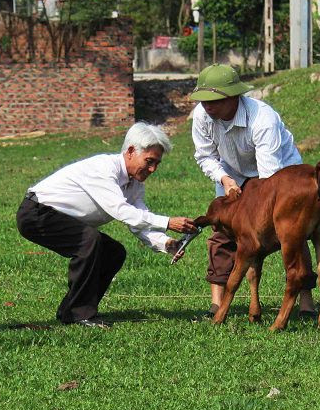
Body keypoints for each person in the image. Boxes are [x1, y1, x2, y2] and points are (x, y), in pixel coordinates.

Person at [16, 123, 198, 328]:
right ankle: (79, 314)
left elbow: (139, 219)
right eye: (149, 161)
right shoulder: (103, 169)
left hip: (59, 217)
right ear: (130, 151)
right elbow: (121, 211)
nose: (153, 169)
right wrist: (167, 222)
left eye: (157, 163)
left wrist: (165, 243)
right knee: (89, 241)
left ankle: (71, 310)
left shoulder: (135, 184)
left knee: (113, 252)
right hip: (37, 213)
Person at [189, 63, 318, 318]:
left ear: (234, 97)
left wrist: (250, 208)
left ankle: (306, 301)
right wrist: (225, 180)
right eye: (202, 100)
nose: (207, 105)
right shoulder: (203, 115)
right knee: (222, 230)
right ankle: (216, 302)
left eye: (213, 100)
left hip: (279, 174)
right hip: (231, 174)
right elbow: (205, 156)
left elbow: (268, 177)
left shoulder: (263, 119)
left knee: (291, 233)